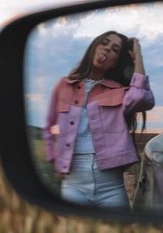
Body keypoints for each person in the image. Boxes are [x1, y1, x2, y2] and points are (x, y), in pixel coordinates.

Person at [44, 31, 155, 210]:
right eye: (104, 43)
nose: (107, 49)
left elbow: (143, 99)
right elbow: (48, 126)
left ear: (115, 62)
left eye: (115, 49)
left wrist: (138, 58)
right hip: (74, 183)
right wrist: (53, 158)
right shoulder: (63, 85)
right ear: (94, 46)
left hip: (111, 185)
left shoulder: (119, 91)